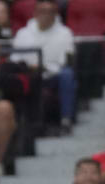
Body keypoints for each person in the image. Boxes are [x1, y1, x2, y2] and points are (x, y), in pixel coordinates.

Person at [13, 0, 77, 130]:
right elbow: (14, 59)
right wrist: (29, 67)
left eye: (50, 12)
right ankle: (18, 121)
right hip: (28, 74)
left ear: (56, 14)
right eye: (42, 11)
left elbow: (67, 62)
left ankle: (66, 119)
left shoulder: (65, 33)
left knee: (67, 74)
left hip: (53, 76)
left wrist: (46, 68)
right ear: (35, 13)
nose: (46, 15)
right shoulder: (23, 33)